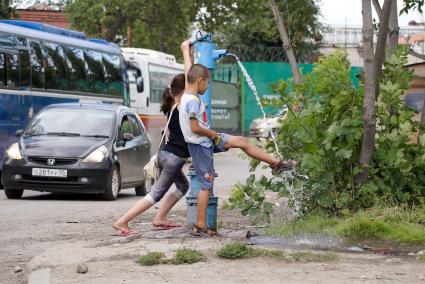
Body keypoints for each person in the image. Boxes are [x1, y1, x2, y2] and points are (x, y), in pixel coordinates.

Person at [179, 40, 296, 236]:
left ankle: (276, 163)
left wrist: (185, 51)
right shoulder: (191, 101)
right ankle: (200, 224)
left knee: (242, 141)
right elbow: (194, 127)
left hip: (207, 140)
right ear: (200, 81)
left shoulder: (187, 92)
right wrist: (212, 135)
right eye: (208, 82)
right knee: (206, 184)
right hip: (201, 145)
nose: (208, 86)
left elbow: (188, 72)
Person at [112, 74, 190, 236]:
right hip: (173, 159)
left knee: (183, 186)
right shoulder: (182, 107)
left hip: (165, 154)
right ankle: (123, 221)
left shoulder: (172, 106)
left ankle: (160, 217)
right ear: (183, 91)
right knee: (156, 194)